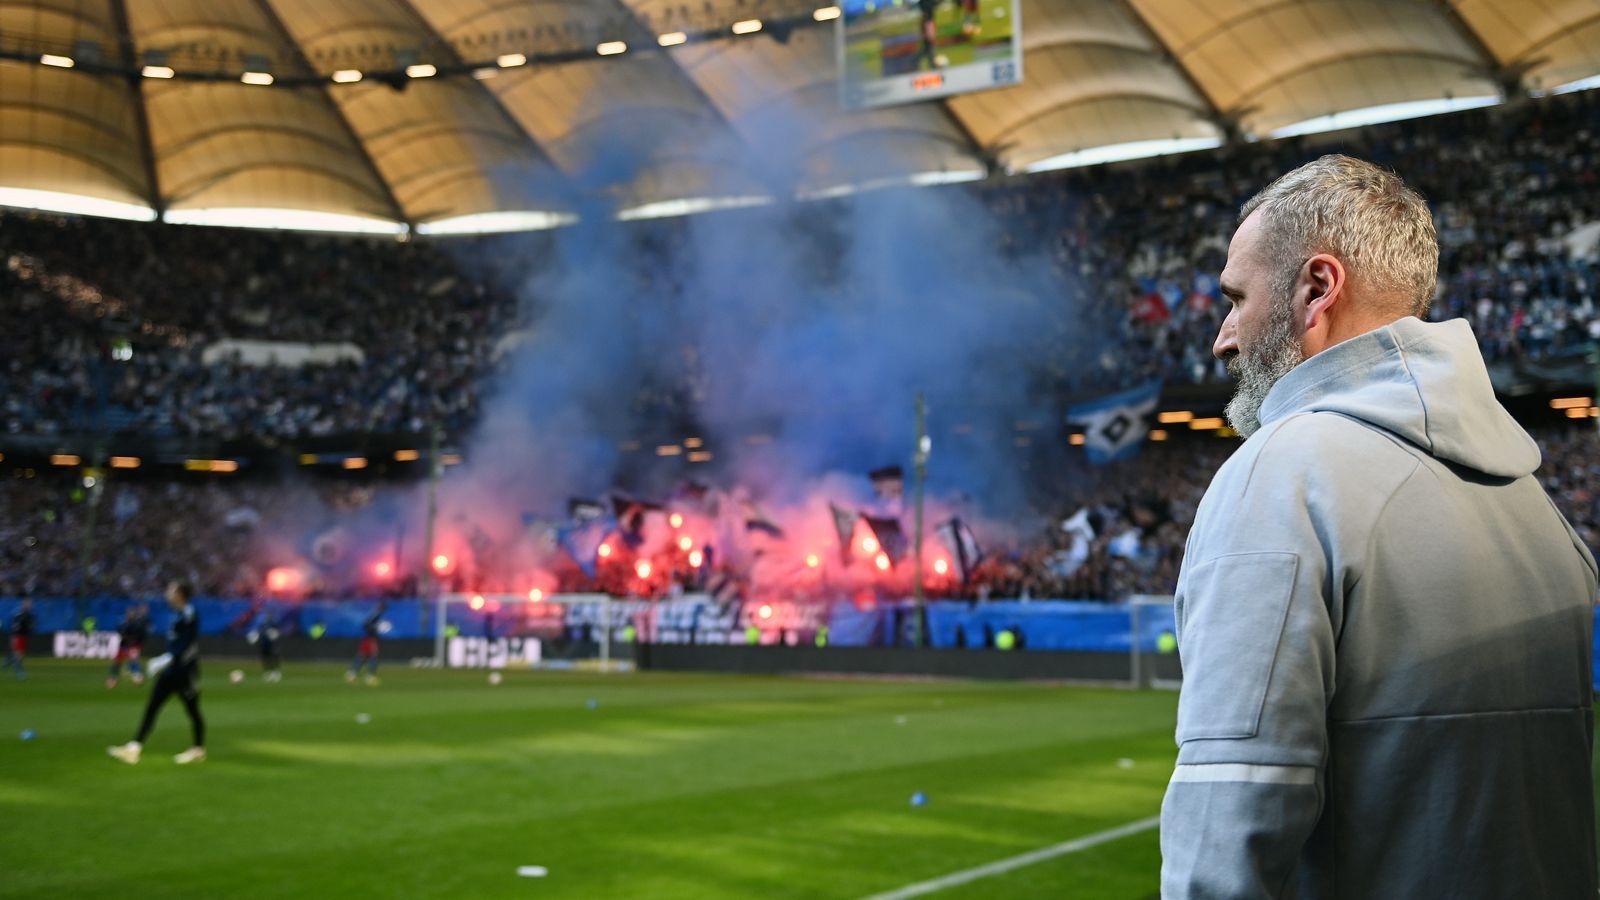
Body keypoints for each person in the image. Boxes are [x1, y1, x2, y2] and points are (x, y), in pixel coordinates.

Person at [1160, 155, 1597, 897]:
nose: (1223, 339)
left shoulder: (1282, 474)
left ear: (1317, 289)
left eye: (1235, 299)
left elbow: (1229, 820)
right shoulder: (1537, 506)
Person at [108, 582, 206, 765]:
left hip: (185, 672)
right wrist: (167, 659)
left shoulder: (189, 613)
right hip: (172, 671)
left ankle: (198, 749)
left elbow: (188, 642)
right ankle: (134, 747)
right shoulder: (177, 614)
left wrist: (168, 658)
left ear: (180, 594)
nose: (167, 593)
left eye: (171, 590)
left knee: (193, 711)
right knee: (152, 706)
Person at [107, 602, 150, 688]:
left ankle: (137, 677)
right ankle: (113, 679)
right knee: (118, 662)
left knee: (133, 660)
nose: (131, 614)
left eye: (133, 613)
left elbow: (142, 636)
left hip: (134, 646)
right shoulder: (124, 624)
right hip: (124, 646)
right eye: (130, 613)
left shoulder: (138, 624)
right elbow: (121, 633)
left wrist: (134, 640)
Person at [346, 602, 384, 686]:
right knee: (374, 656)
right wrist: (374, 628)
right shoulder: (375, 615)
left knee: (362, 655)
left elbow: (366, 624)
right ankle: (370, 676)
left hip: (367, 638)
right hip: (370, 639)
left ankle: (351, 674)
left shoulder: (373, 614)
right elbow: (366, 624)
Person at [249, 605, 282, 683]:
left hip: (272, 643)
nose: (269, 615)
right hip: (264, 642)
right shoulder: (263, 623)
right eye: (268, 614)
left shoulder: (274, 622)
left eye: (270, 614)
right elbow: (259, 631)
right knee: (265, 656)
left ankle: (275, 671)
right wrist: (255, 636)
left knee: (274, 656)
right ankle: (267, 671)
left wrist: (274, 634)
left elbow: (277, 632)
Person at [3, 598, 35, 680]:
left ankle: (6, 660)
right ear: (23, 605)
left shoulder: (30, 615)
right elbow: (15, 627)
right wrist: (14, 637)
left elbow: (31, 626)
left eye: (30, 604)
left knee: (18, 654)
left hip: (24, 637)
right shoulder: (19, 615)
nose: (29, 605)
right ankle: (19, 672)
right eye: (28, 604)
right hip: (18, 636)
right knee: (18, 655)